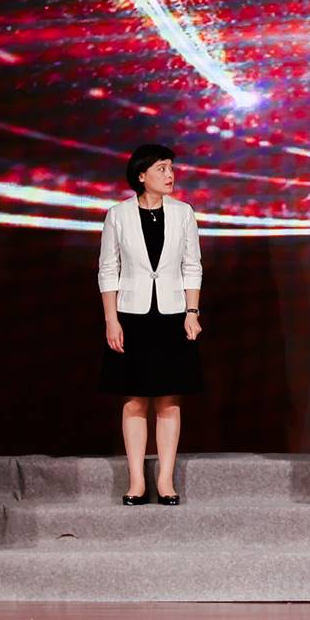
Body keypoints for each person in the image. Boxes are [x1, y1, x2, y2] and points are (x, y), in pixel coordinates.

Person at [97, 144, 203, 506]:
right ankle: (136, 481)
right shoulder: (118, 215)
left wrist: (192, 311)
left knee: (169, 400)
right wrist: (111, 319)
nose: (169, 175)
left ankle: (166, 480)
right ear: (141, 176)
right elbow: (108, 269)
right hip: (132, 314)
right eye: (161, 168)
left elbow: (192, 265)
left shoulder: (184, 212)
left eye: (171, 168)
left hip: (174, 314)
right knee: (135, 399)